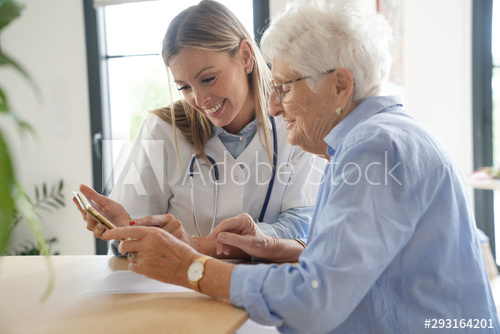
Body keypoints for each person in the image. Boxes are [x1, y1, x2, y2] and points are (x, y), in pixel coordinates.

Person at [102, 0, 500, 332]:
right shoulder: (373, 140)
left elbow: (315, 297)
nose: (273, 106)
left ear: (340, 85)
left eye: (285, 88)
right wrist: (277, 247)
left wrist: (191, 267)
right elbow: (351, 261)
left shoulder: (375, 149)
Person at [76, 0, 325, 257]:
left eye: (208, 79)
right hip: (178, 289)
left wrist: (197, 245)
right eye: (184, 87)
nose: (199, 98)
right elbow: (131, 237)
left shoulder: (293, 124)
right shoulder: (161, 131)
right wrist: (122, 230)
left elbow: (303, 227)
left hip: (264, 285)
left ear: (246, 57)